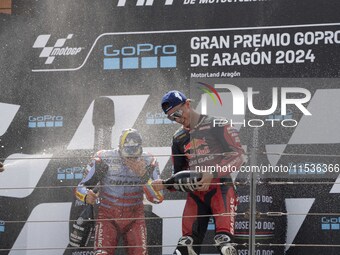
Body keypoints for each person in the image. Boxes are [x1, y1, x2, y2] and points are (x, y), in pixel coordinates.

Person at [152, 90, 246, 255]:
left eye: (178, 113)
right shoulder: (178, 138)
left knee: (225, 245)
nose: (177, 119)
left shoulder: (217, 124)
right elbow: (180, 174)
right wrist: (165, 185)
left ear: (188, 104)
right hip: (195, 195)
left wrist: (213, 172)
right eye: (171, 117)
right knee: (185, 246)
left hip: (221, 189)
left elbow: (238, 156)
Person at [75, 128, 164, 255]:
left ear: (141, 148)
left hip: (135, 217)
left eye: (135, 152)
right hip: (107, 216)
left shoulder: (149, 161)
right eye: (127, 151)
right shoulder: (104, 158)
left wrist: (143, 175)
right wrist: (85, 196)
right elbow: (80, 187)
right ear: (119, 147)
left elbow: (158, 198)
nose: (131, 157)